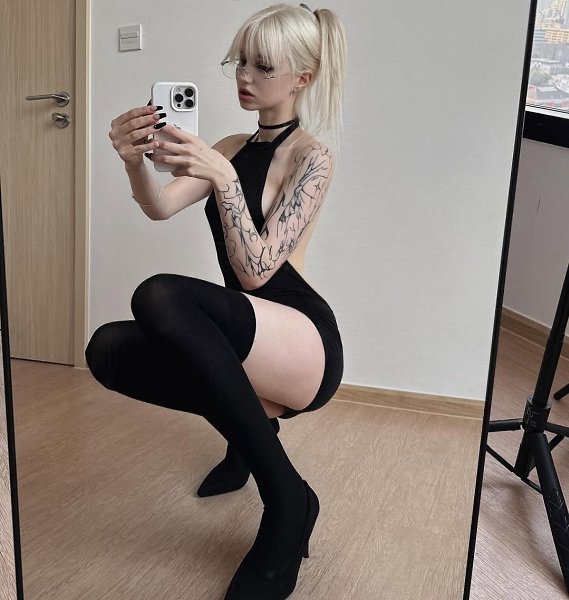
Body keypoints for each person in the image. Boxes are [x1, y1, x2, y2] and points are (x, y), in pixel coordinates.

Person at [85, 3, 347, 598]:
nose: (244, 77)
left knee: (160, 295)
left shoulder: (312, 157)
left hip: (301, 336)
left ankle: (288, 502)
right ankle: (249, 437)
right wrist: (132, 161)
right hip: (242, 336)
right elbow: (159, 206)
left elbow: (256, 271)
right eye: (240, 63)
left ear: (302, 78)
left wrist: (225, 181)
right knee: (107, 349)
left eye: (263, 67)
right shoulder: (228, 145)